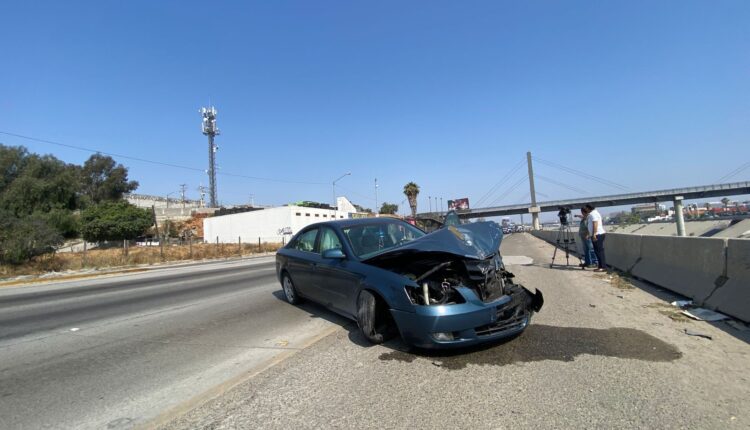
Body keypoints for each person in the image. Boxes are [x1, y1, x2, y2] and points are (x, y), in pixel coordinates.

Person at [584, 204, 607, 272]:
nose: (585, 210)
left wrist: (594, 234)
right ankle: (601, 266)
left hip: (598, 234)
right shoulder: (594, 213)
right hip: (598, 234)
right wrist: (589, 234)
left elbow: (595, 223)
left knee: (599, 251)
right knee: (598, 251)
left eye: (586, 208)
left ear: (588, 208)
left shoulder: (592, 214)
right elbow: (591, 225)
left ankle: (602, 267)